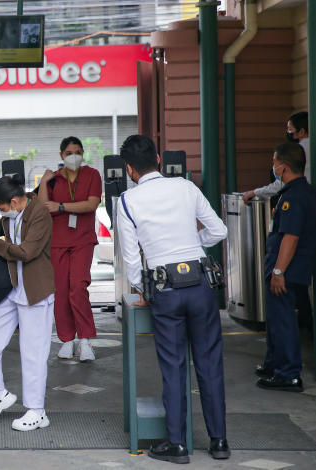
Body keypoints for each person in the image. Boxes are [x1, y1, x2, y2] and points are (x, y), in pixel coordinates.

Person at [116, 135, 230, 464]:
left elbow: (131, 262)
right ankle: (219, 441)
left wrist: (145, 290)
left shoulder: (127, 201)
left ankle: (177, 444)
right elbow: (219, 230)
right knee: (209, 364)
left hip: (164, 289)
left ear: (129, 169)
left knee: (174, 366)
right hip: (200, 284)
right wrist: (191, 244)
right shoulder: (185, 187)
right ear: (159, 160)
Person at [0, 174, 55, 431]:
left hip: (36, 290)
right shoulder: (13, 214)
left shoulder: (39, 214)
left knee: (33, 352)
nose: (1, 213)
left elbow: (28, 252)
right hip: (13, 289)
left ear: (13, 201)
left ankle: (37, 410)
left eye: (1, 208)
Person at [255, 142, 316, 393]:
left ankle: (288, 373)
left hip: (287, 269)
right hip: (291, 268)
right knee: (276, 318)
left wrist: (279, 271)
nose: (273, 167)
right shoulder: (304, 192)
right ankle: (274, 364)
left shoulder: (293, 198)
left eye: (274, 162)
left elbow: (290, 237)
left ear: (284, 167)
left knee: (283, 321)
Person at [37, 136, 102, 362]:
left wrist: (62, 206)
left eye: (78, 151)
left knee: (78, 287)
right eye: (69, 153)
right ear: (61, 155)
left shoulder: (92, 175)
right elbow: (45, 208)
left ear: (82, 153)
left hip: (82, 240)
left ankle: (85, 339)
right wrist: (44, 183)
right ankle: (66, 339)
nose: (74, 156)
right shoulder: (54, 179)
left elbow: (92, 204)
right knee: (61, 291)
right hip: (58, 242)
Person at [242, 112, 310, 203]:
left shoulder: (298, 151)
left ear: (301, 132)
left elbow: (282, 183)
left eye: (290, 130)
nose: (288, 133)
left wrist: (254, 192)